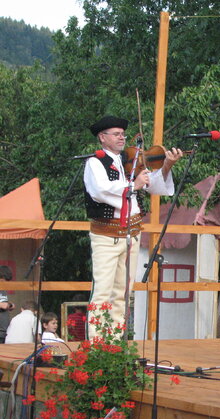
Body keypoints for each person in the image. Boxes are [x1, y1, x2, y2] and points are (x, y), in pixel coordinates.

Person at [84, 116, 183, 338]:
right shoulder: (95, 162)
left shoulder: (130, 160)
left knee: (124, 291)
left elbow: (153, 185)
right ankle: (98, 343)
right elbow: (100, 191)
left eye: (122, 134)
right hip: (106, 235)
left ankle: (116, 341)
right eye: (116, 134)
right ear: (102, 137)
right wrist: (132, 185)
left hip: (132, 233)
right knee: (102, 291)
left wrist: (167, 165)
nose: (122, 138)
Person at [0, 265, 16, 344]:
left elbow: (5, 304)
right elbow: (3, 305)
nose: (5, 284)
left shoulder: (3, 290)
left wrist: (9, 305)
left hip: (4, 330)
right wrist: (2, 305)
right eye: (3, 281)